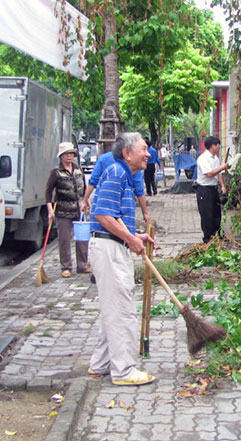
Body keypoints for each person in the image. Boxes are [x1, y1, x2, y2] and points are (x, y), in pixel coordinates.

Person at [87, 132, 156, 386]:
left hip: (111, 245)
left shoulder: (123, 174)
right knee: (121, 310)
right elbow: (102, 214)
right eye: (143, 149)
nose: (147, 153)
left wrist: (135, 235)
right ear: (127, 153)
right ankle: (124, 371)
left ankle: (101, 364)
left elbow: (113, 217)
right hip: (109, 249)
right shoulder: (117, 174)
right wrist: (130, 240)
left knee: (111, 308)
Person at [45, 142, 90, 278]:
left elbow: (84, 187)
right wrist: (49, 210)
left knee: (83, 238)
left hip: (79, 209)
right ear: (62, 156)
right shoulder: (56, 172)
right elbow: (48, 192)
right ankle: (66, 266)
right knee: (64, 239)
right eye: (67, 154)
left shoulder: (78, 169)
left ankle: (82, 265)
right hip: (62, 211)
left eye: (71, 153)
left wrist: (86, 201)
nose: (69, 156)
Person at [81, 151, 149, 226]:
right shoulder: (131, 162)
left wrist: (85, 201)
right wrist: (145, 213)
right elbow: (139, 190)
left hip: (102, 205)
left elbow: (93, 182)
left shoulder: (104, 158)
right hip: (123, 209)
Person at [195, 136, 229, 243]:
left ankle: (218, 235)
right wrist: (223, 167)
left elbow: (218, 173)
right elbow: (209, 173)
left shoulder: (216, 158)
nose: (219, 147)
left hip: (213, 188)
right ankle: (208, 237)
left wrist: (222, 185)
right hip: (204, 190)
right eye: (218, 144)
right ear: (213, 145)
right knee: (207, 214)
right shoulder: (203, 158)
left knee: (216, 213)